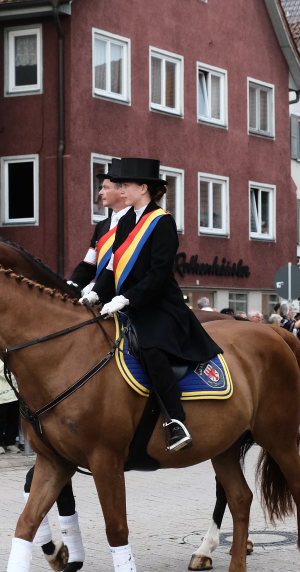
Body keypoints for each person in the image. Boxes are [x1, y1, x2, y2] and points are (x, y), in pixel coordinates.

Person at [82, 158, 222, 451]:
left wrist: (127, 298)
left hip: (159, 305)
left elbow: (159, 274)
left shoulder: (162, 222)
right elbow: (112, 266)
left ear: (143, 188)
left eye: (125, 185)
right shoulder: (126, 221)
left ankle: (176, 420)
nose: (121, 189)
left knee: (151, 350)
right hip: (127, 304)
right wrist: (96, 292)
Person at [68, 157, 130, 292]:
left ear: (122, 191)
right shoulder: (102, 226)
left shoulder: (138, 223)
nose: (101, 192)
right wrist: (72, 284)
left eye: (106, 188)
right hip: (101, 295)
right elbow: (89, 263)